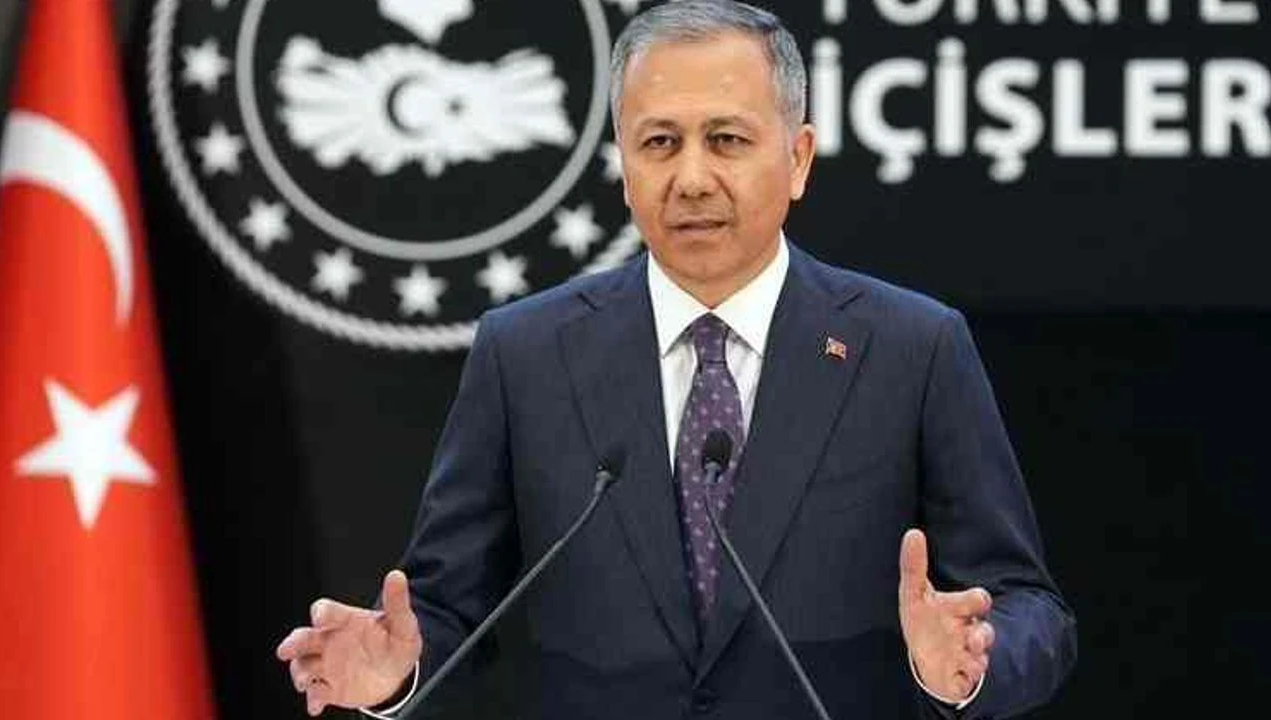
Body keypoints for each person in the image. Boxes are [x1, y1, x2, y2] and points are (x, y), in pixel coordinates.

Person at [275, 2, 1077, 718]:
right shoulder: (524, 354)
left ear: (798, 158)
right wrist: (396, 672)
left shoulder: (911, 348)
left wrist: (972, 662)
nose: (691, 178)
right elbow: (449, 607)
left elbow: (1028, 607)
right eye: (660, 142)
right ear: (624, 164)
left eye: (727, 140)